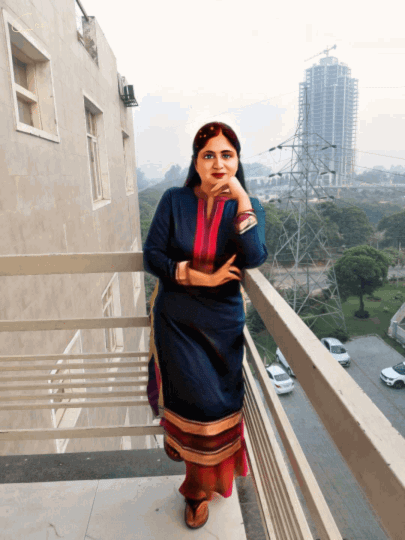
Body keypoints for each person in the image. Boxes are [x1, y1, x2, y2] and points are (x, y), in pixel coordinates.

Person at [143, 121, 267, 529]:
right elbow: (153, 255)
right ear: (195, 162)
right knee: (192, 404)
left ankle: (209, 478)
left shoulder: (247, 206)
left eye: (227, 155)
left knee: (218, 407)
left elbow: (254, 256)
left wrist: (242, 198)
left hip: (222, 328)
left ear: (237, 160)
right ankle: (195, 490)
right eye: (208, 155)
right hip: (177, 324)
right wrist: (201, 277)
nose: (218, 163)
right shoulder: (174, 200)